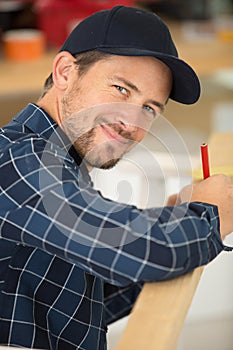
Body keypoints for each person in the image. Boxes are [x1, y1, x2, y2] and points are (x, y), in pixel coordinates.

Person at [0, 5, 232, 350]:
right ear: (65, 72)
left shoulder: (62, 163)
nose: (132, 122)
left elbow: (75, 307)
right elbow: (154, 253)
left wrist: (176, 222)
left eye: (150, 108)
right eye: (121, 89)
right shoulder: (19, 162)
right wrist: (213, 214)